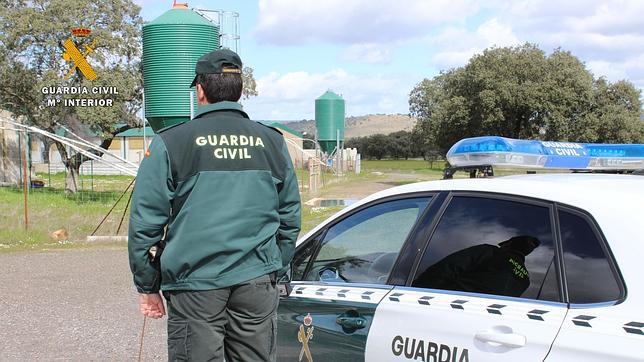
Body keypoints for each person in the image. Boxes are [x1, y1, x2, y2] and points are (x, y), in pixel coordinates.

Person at [128, 48, 301, 361]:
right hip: (256, 281)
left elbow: (145, 224)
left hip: (195, 283)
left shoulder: (171, 141)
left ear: (200, 90)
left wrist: (147, 285)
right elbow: (289, 216)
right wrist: (276, 267)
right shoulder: (272, 141)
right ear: (240, 91)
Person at [413, 235, 540, 297]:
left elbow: (446, 268)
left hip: (445, 304)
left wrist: (417, 289)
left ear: (508, 244)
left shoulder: (490, 252)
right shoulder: (525, 280)